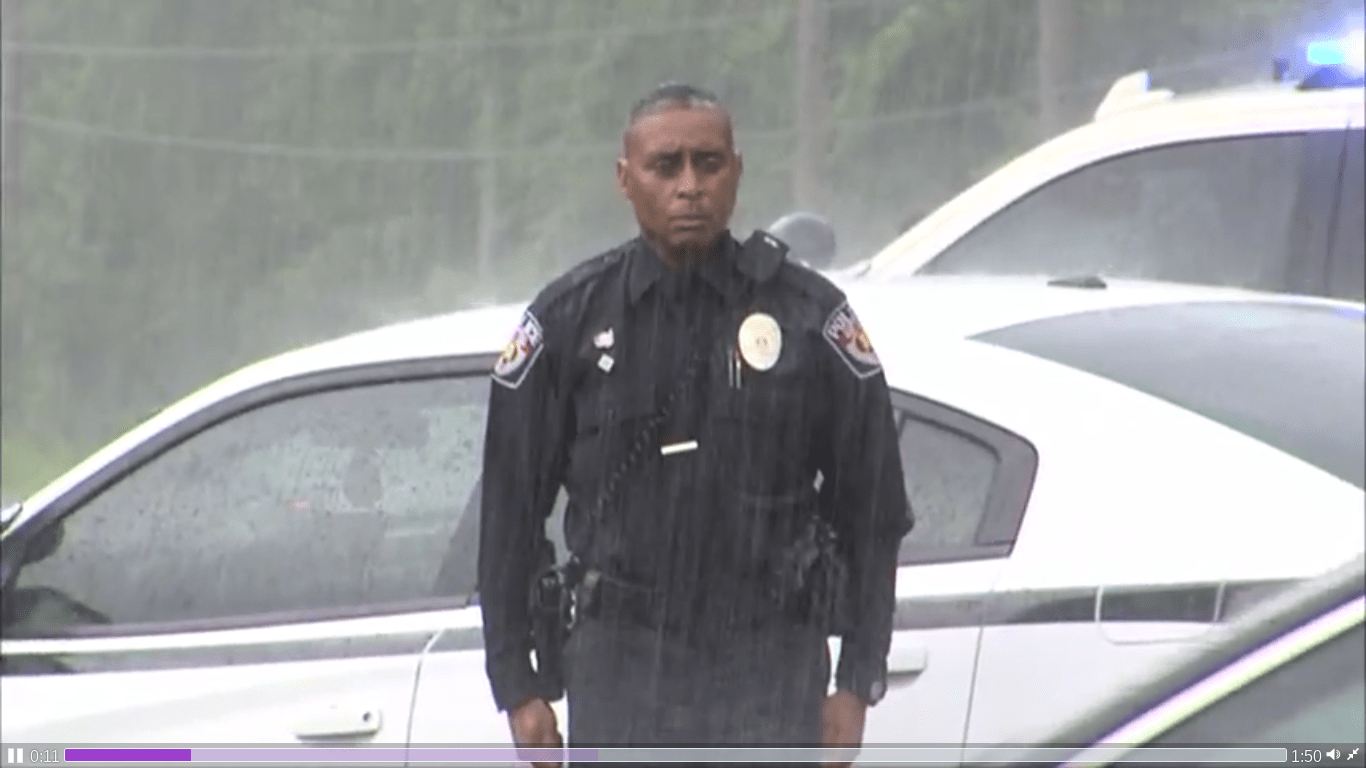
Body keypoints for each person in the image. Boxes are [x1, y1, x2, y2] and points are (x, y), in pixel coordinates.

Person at [478, 82, 911, 765]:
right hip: (622, 673)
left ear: (736, 171)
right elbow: (508, 516)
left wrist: (857, 678)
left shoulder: (808, 318)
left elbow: (874, 509)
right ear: (626, 179)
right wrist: (517, 686)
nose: (689, 186)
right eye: (666, 165)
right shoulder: (570, 322)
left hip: (768, 668)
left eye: (708, 165)